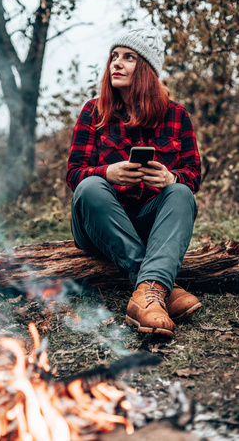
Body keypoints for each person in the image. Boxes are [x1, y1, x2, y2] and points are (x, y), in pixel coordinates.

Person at [66, 27, 202, 338]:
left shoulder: (177, 116)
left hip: (152, 227)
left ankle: (148, 291)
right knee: (90, 186)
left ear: (147, 70)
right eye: (114, 56)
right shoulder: (93, 111)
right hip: (100, 226)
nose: (116, 63)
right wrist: (106, 173)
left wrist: (171, 178)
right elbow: (74, 173)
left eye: (128, 57)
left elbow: (193, 176)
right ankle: (162, 287)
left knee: (180, 193)